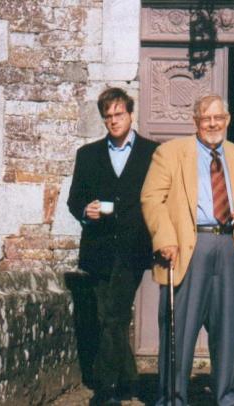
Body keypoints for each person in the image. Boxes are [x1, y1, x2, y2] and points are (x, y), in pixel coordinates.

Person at [141, 94, 234, 406]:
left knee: (228, 331)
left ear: (228, 119)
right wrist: (164, 238)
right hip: (186, 247)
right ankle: (173, 398)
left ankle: (229, 397)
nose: (213, 124)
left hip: (231, 245)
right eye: (206, 119)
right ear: (196, 121)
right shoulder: (169, 153)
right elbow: (151, 199)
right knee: (179, 331)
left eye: (218, 118)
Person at [67, 87, 158, 406]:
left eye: (119, 114)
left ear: (130, 114)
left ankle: (105, 390)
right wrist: (85, 212)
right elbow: (74, 199)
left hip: (134, 248)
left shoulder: (152, 152)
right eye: (108, 116)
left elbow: (160, 198)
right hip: (98, 247)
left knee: (114, 315)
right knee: (111, 317)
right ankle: (129, 379)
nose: (113, 121)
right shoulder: (88, 154)